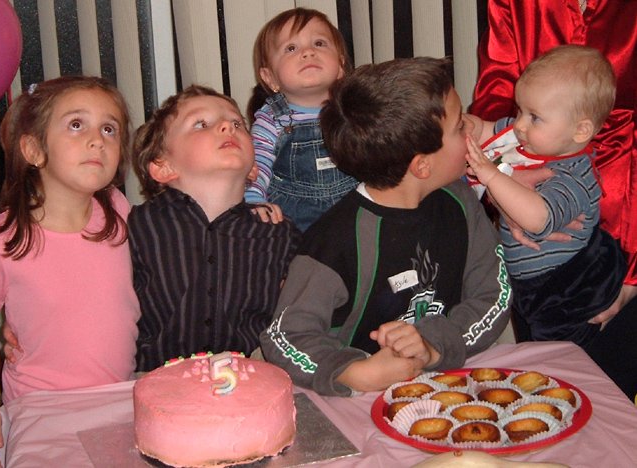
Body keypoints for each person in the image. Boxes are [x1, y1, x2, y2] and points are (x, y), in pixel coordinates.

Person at [260, 58, 511, 396]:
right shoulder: (333, 242)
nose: (472, 128)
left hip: (448, 388)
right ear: (422, 166)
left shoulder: (461, 201)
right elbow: (284, 336)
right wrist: (351, 372)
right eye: (459, 126)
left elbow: (494, 294)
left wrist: (434, 346)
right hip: (360, 404)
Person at [0, 76, 141, 467]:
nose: (97, 140)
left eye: (109, 129)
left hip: (119, 397)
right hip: (41, 406)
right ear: (34, 150)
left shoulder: (119, 211)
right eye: (77, 124)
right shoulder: (0, 241)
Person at [469, 0, 637, 325]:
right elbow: (496, 100)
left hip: (626, 222)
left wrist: (633, 275)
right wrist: (502, 182)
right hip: (531, 232)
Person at [130, 85, 299, 372]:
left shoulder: (279, 233)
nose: (227, 126)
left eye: (237, 123)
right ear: (163, 167)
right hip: (155, 379)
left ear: (253, 168)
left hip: (251, 380)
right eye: (201, 124)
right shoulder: (135, 227)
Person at [244, 8, 358, 232]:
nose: (308, 52)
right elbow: (257, 166)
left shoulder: (356, 111)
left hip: (357, 209)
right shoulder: (271, 119)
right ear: (270, 77)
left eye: (319, 43)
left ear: (340, 67)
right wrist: (254, 200)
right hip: (295, 222)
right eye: (291, 48)